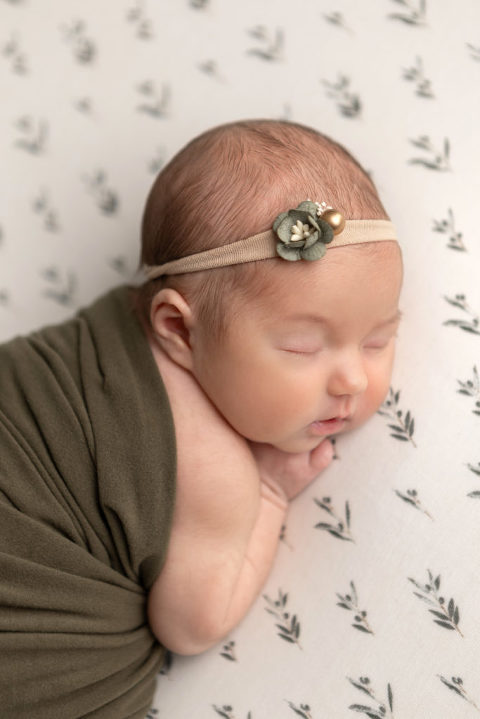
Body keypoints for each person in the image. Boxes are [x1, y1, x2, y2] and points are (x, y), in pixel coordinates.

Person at [0, 119, 403, 718]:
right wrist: (266, 494)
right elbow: (192, 626)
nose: (352, 379)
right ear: (178, 329)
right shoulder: (214, 469)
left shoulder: (107, 332)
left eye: (378, 340)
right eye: (300, 347)